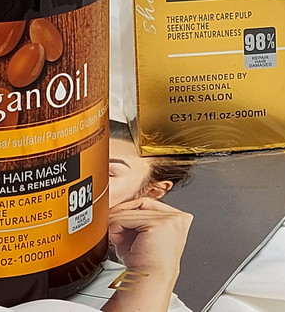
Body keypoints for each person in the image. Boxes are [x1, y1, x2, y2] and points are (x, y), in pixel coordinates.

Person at [73, 120, 194, 312]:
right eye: (69, 162)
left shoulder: (152, 298)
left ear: (152, 191)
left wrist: (151, 272)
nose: (75, 179)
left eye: (107, 172)